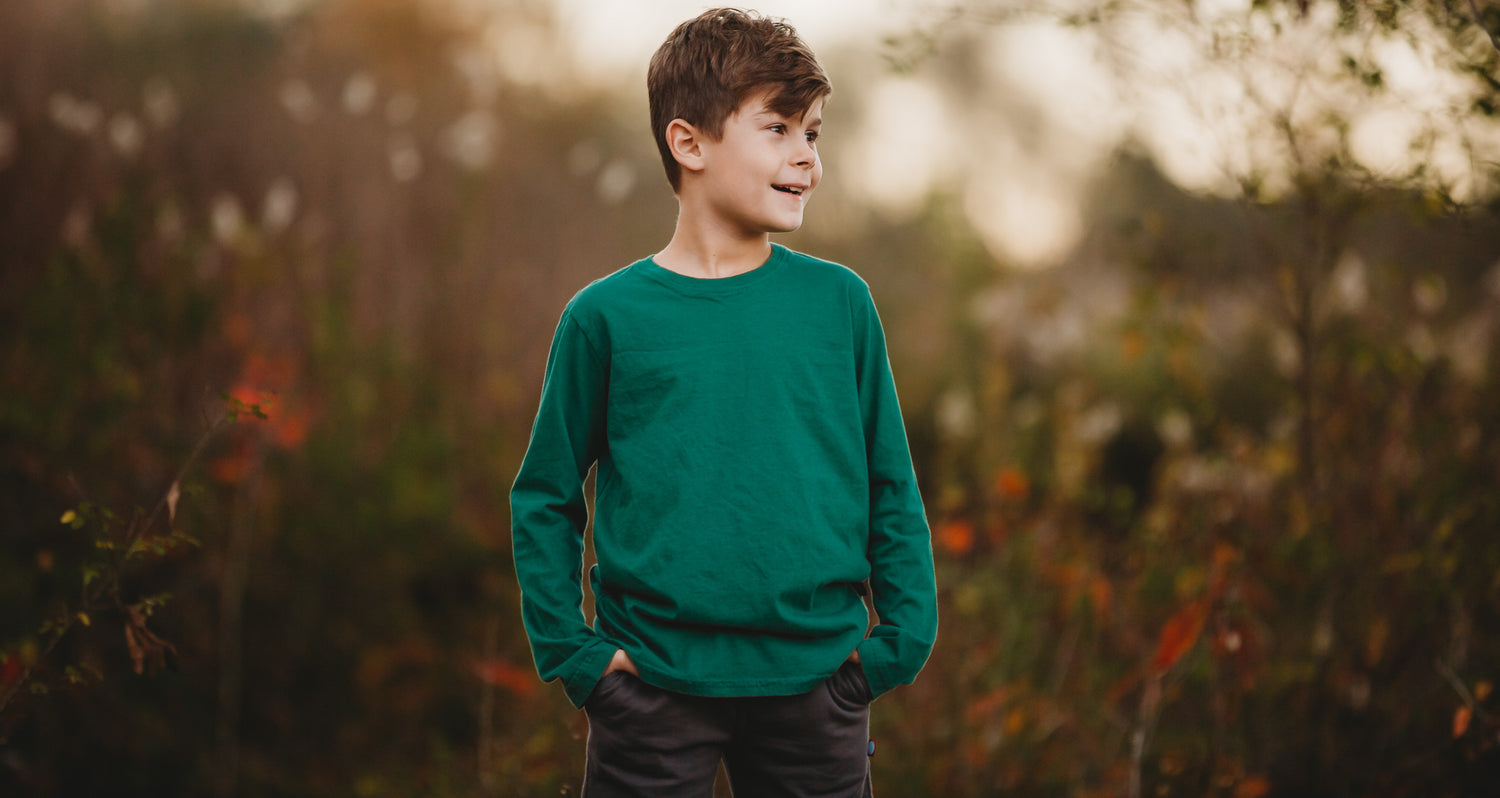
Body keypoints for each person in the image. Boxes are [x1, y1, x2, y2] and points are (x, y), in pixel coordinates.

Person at [509, 8, 938, 796]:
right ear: (689, 142)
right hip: (651, 694)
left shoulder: (840, 304)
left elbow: (890, 485)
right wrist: (580, 660)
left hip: (818, 689)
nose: (807, 158)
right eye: (778, 129)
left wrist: (893, 649)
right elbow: (544, 496)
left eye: (813, 134)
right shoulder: (605, 319)